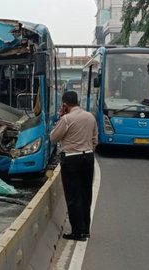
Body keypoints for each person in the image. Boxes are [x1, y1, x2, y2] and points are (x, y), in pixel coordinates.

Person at [50, 91, 98, 242]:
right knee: (85, 194)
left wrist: (60, 117)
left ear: (65, 104)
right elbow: (95, 139)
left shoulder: (66, 119)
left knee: (73, 196)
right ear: (77, 102)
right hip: (88, 157)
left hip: (71, 159)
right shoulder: (90, 116)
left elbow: (53, 138)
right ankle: (85, 230)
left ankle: (77, 232)